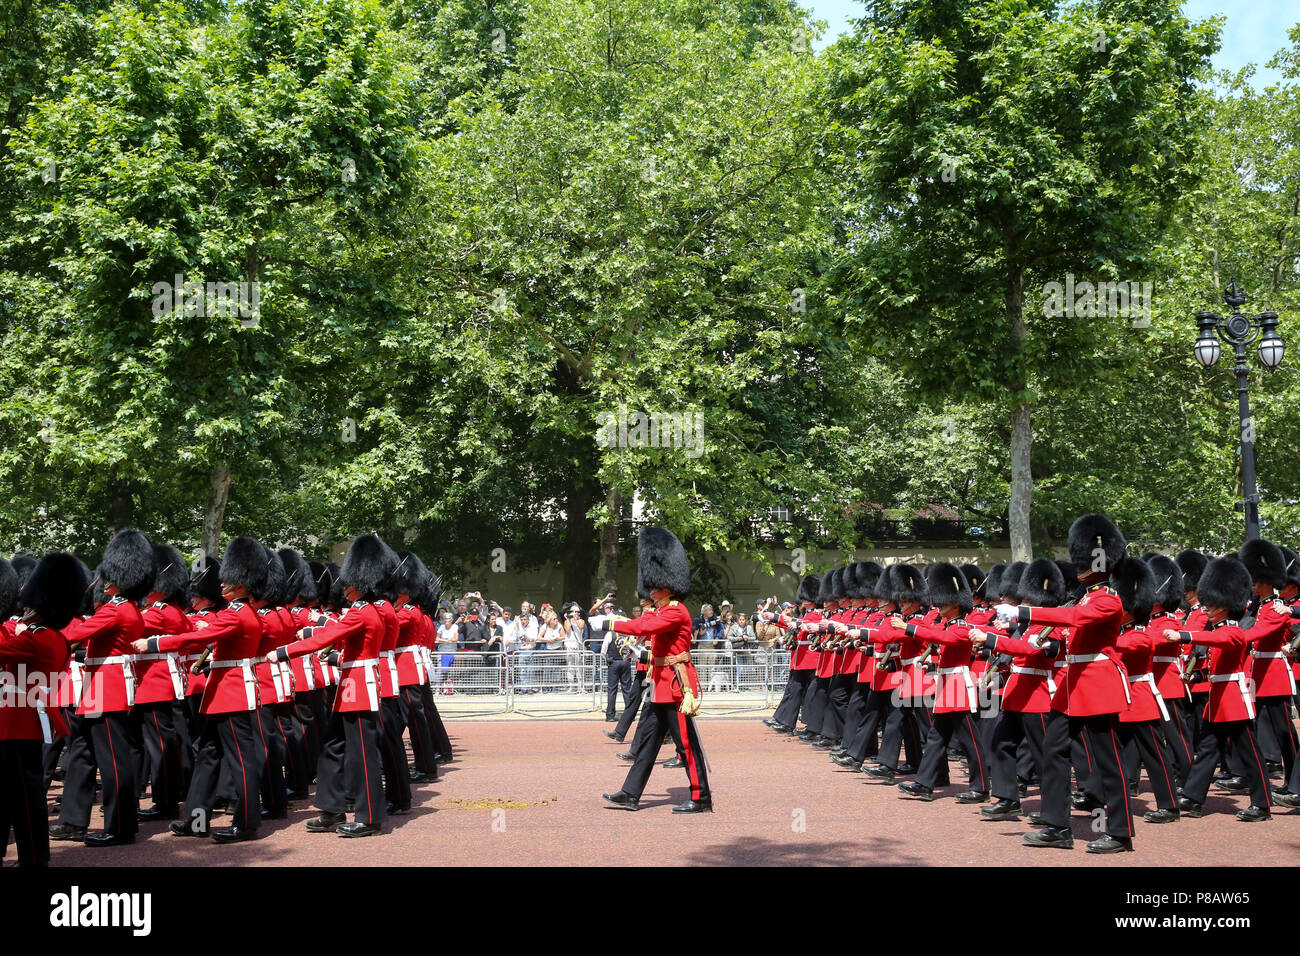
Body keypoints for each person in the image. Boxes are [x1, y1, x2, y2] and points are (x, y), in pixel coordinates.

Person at [995, 514, 1136, 853]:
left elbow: (1074, 619)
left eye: (1082, 560)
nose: (1078, 566)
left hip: (1096, 685)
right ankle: (1057, 824)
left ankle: (1118, 831)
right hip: (1071, 686)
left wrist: (1024, 613)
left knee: (1107, 760)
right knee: (1052, 751)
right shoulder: (1085, 596)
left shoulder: (1107, 599)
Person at [132, 536, 269, 844]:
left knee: (240, 760)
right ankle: (197, 820)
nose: (222, 585)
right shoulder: (237, 611)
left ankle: (247, 823)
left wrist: (154, 642)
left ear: (244, 584)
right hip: (221, 692)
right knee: (207, 755)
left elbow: (193, 640)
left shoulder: (238, 613)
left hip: (233, 693)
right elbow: (202, 631)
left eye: (230, 580)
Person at [270, 533, 397, 837]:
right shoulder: (365, 610)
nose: (345, 587)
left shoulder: (363, 611)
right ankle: (332, 809)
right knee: (332, 748)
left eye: (351, 582)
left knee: (361, 755)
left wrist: (283, 651)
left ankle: (369, 818)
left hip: (360, 689)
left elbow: (327, 637)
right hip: (350, 687)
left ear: (362, 582)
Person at [52, 529, 154, 847]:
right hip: (98, 689)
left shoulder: (115, 609)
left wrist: (56, 614)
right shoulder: (129, 609)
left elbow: (73, 635)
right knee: (82, 753)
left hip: (105, 690)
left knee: (112, 761)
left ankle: (120, 827)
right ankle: (73, 820)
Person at [599, 527, 712, 813]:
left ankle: (701, 797)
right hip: (660, 685)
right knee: (648, 744)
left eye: (654, 585)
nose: (650, 590)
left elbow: (645, 626)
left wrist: (611, 622)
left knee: (686, 745)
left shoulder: (676, 610)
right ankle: (630, 793)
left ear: (667, 584)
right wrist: (644, 653)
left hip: (676, 686)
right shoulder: (663, 610)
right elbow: (659, 646)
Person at [1170, 556, 1271, 822]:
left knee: (1249, 752)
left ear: (1225, 605)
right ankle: (1192, 798)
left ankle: (1262, 804)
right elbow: (1217, 665)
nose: (1207, 608)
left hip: (1234, 700)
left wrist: (1185, 635)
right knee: (1207, 749)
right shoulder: (1217, 627)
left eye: (1212, 603)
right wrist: (1199, 675)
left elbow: (1222, 641)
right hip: (1218, 699)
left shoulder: (1234, 630)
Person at [0, 553, 86, 866]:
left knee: (25, 798)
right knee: (15, 795)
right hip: (22, 719)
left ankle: (34, 858)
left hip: (19, 721)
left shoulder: (37, 640)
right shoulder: (53, 638)